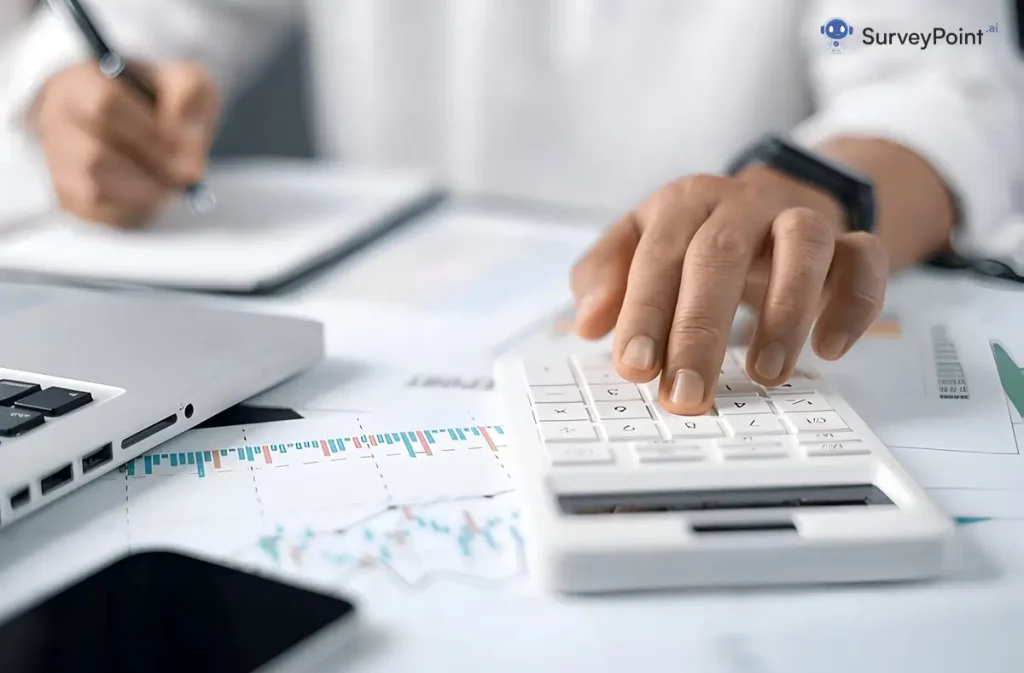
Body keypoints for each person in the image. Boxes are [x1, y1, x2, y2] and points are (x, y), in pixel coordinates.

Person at [1, 0, 1021, 415]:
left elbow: (934, 77)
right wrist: (75, 100)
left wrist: (814, 183)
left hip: (744, 304)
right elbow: (135, 25)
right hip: (391, 345)